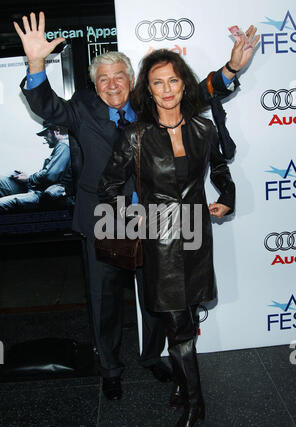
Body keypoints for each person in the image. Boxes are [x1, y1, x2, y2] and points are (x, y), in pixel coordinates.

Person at [13, 11, 258, 401]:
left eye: (119, 77)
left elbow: (197, 92)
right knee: (104, 300)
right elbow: (45, 105)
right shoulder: (80, 110)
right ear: (95, 86)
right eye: (103, 79)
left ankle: (150, 357)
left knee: (159, 298)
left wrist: (231, 68)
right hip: (105, 219)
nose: (112, 85)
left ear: (132, 81)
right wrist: (36, 62)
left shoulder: (148, 109)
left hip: (155, 221)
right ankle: (110, 368)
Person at [98, 49, 236, 427]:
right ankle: (196, 404)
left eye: (172, 80)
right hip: (160, 237)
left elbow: (222, 169)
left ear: (183, 84)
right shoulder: (135, 136)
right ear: (149, 91)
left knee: (186, 318)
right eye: (157, 83)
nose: (166, 89)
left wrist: (227, 196)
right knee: (177, 324)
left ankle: (178, 384)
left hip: (195, 232)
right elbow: (107, 188)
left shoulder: (202, 129)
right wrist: (131, 215)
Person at [0, 121, 71, 212]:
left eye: (46, 133)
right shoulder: (63, 146)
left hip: (41, 194)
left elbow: (50, 176)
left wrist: (29, 179)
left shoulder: (64, 145)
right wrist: (27, 178)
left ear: (57, 131)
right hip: (36, 188)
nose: (44, 137)